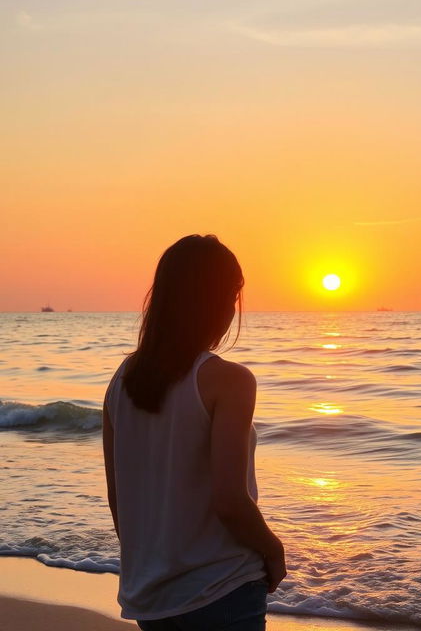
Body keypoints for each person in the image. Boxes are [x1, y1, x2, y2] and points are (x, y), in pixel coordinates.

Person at [102, 234, 286, 630]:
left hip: (152, 596)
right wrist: (273, 549)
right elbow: (230, 501)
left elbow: (120, 501)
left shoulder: (122, 381)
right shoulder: (229, 381)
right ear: (219, 301)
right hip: (222, 588)